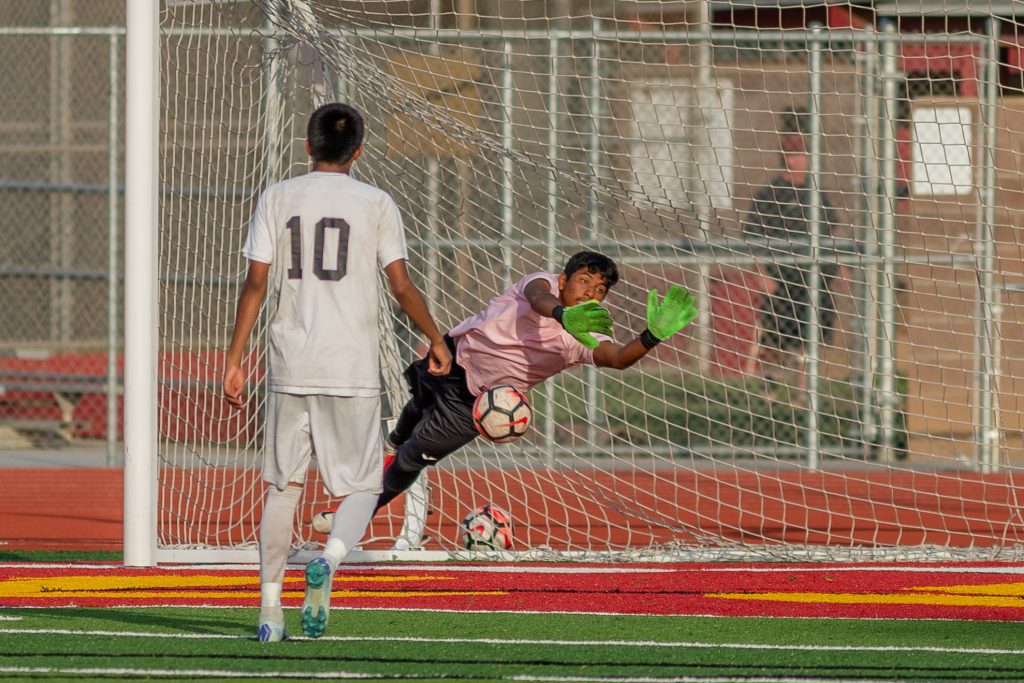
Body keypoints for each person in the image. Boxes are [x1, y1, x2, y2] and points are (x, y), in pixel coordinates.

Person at [222, 102, 452, 643]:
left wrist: (234, 358)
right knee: (364, 485)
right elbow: (401, 286)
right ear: (359, 152)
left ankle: (270, 612)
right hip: (350, 366)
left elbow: (256, 283)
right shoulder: (376, 202)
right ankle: (328, 558)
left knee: (283, 488)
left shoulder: (278, 196)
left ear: (308, 146)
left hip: (290, 364)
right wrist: (436, 338)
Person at [314, 250, 698, 532]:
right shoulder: (541, 284)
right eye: (584, 281)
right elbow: (539, 298)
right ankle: (392, 442)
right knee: (416, 405)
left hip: (476, 404)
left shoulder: (584, 336)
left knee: (413, 458)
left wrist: (652, 336)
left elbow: (617, 357)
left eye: (600, 290)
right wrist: (562, 314)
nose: (590, 293)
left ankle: (355, 514)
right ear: (563, 280)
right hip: (454, 354)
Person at [741, 108, 841, 400]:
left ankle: (803, 394)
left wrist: (839, 267)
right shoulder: (770, 194)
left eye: (803, 153)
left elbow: (829, 235)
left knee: (810, 340)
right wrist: (761, 273)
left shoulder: (816, 194)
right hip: (782, 279)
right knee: (777, 337)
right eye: (794, 154)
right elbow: (752, 239)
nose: (799, 160)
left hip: (815, 279)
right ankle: (770, 384)